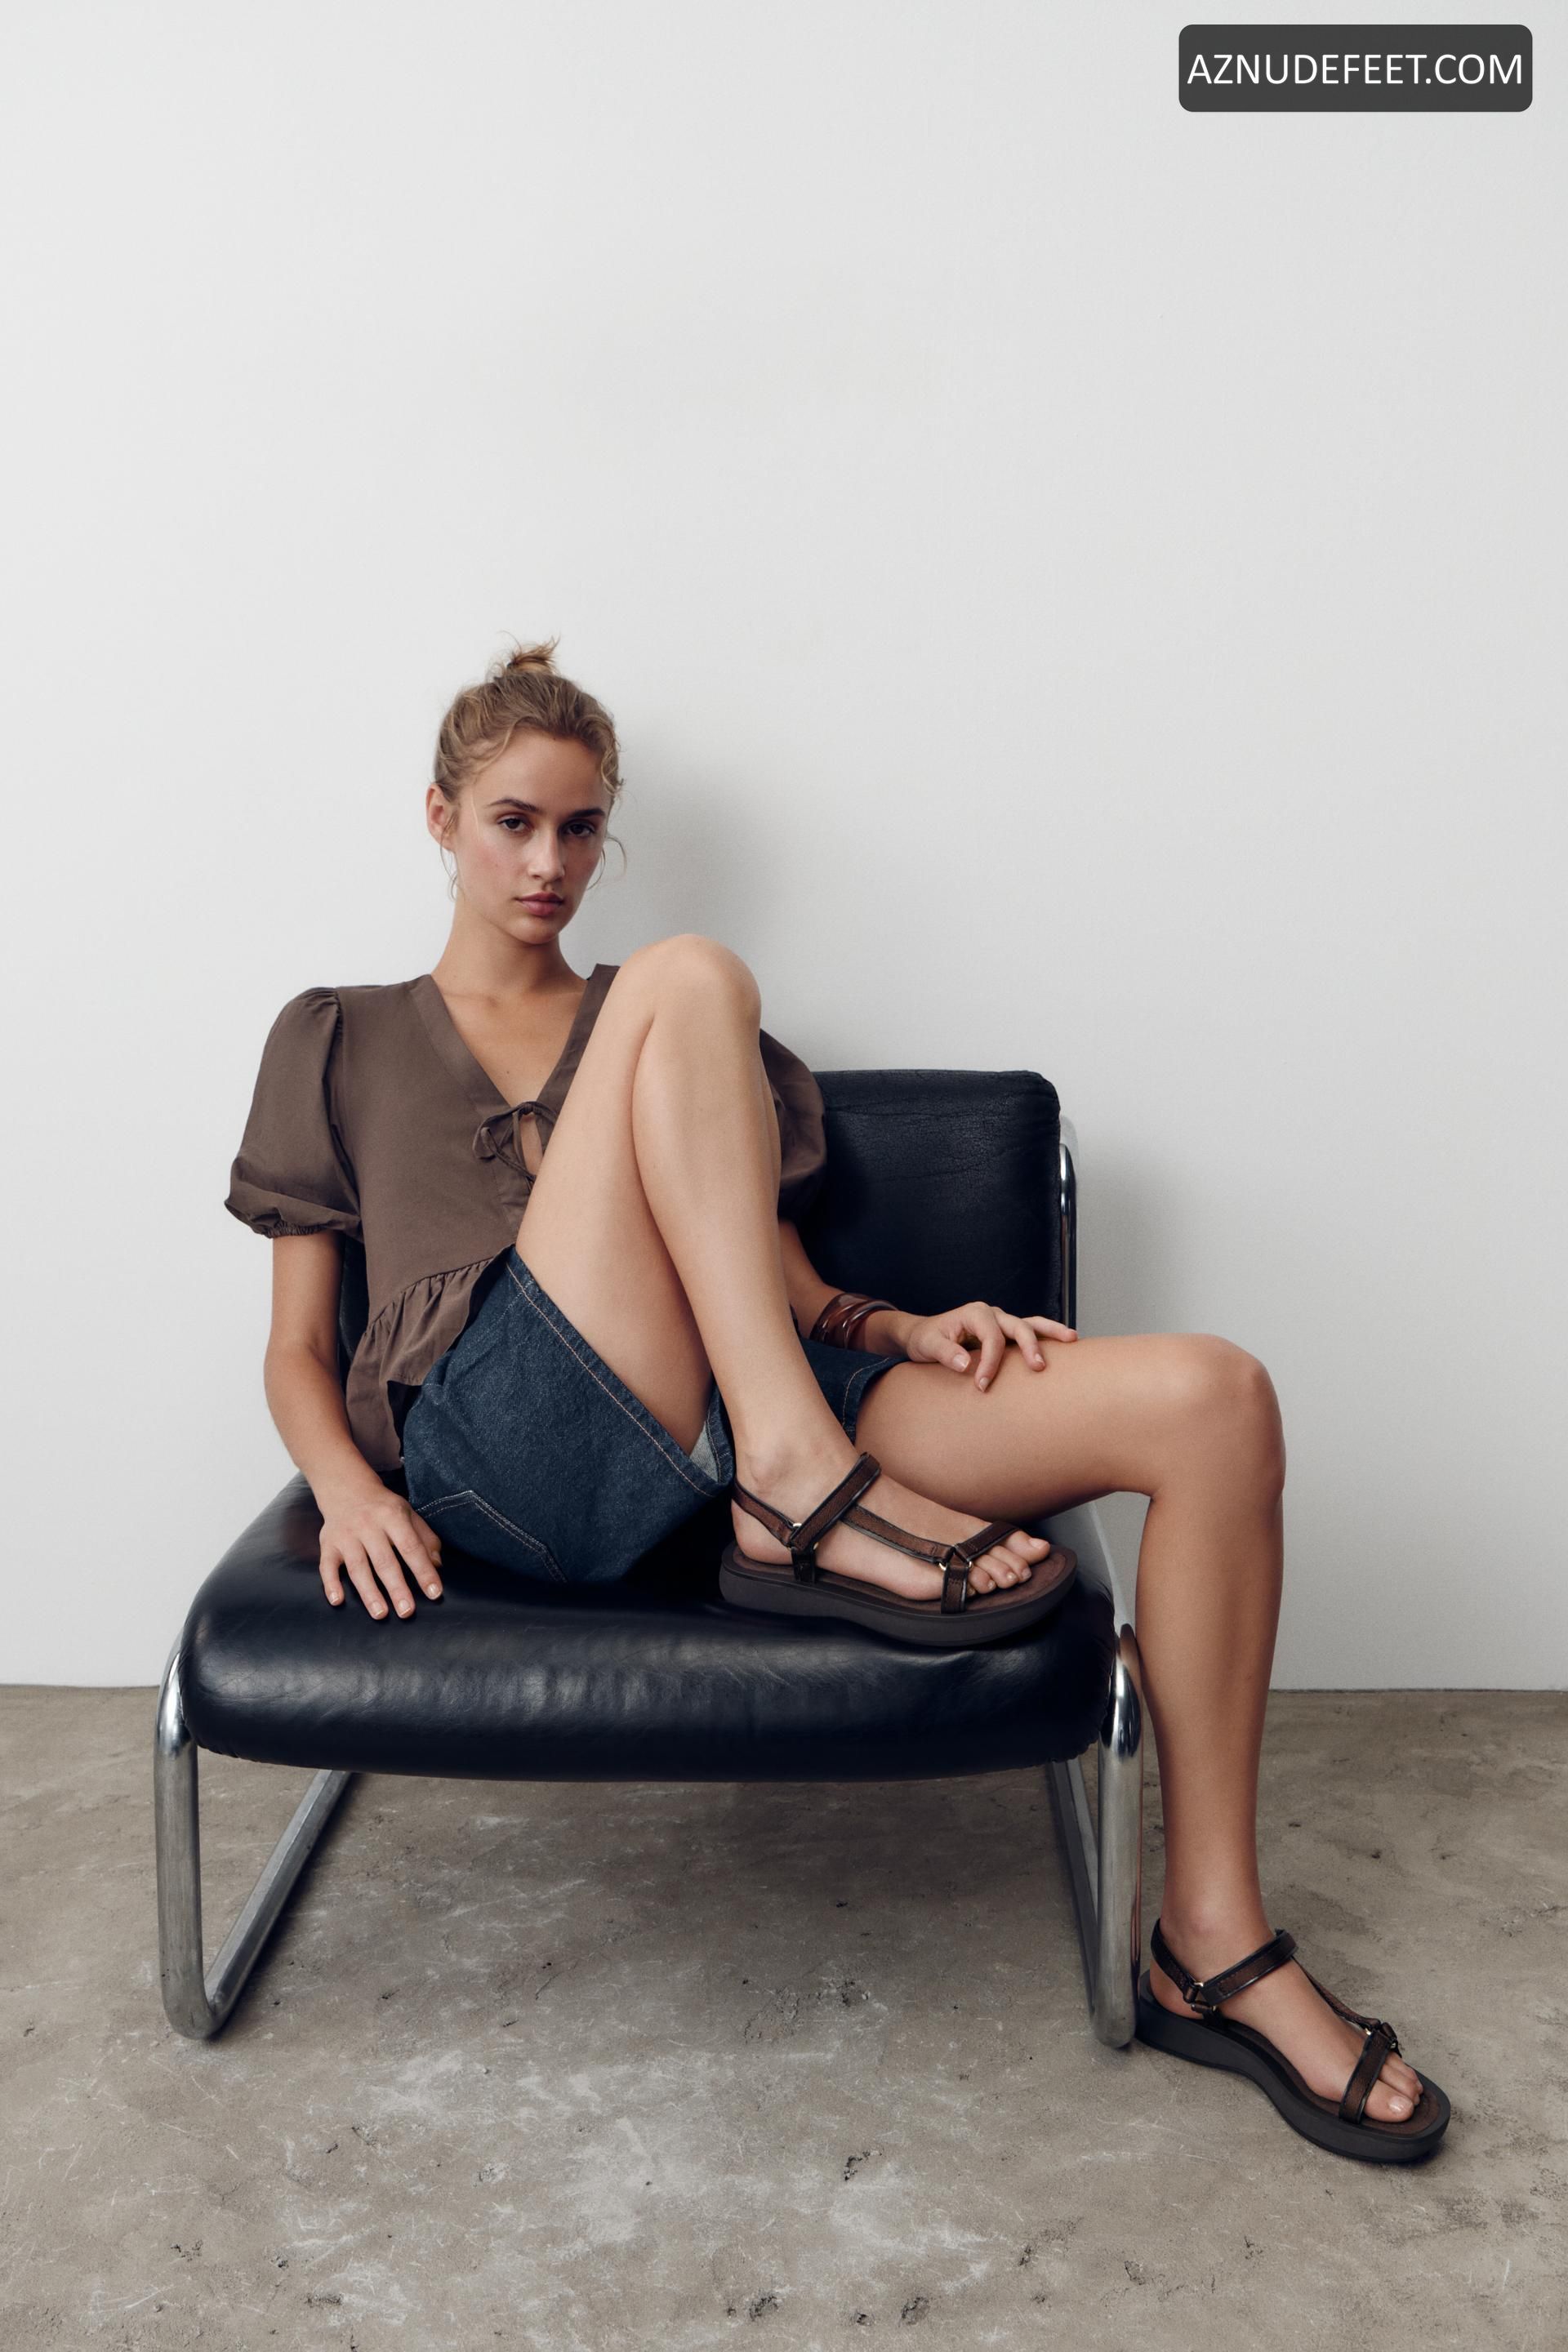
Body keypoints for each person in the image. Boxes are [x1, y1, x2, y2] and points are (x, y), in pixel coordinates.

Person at [225, 639, 1447, 2162]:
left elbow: (780, 1281)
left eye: (583, 828)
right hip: (518, 1451)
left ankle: (1211, 1941)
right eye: (514, 823)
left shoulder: (656, 1025)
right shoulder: (341, 1033)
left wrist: (905, 1326)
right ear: (439, 818)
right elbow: (296, 1347)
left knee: (1217, 1400)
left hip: (747, 1420)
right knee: (690, 976)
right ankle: (796, 1485)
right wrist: (348, 1488)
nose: (550, 864)